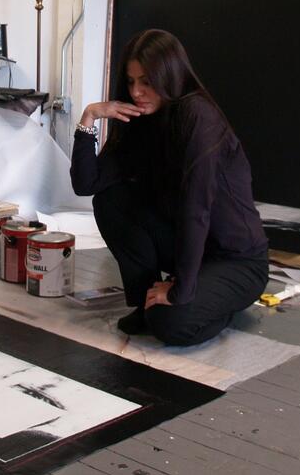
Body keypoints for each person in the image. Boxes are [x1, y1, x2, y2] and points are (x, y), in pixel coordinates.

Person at [70, 29, 269, 346]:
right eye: (131, 81)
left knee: (171, 323)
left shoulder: (198, 117)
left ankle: (217, 305)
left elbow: (196, 210)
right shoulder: (141, 119)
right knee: (111, 200)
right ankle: (145, 301)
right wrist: (90, 117)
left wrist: (180, 291)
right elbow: (87, 184)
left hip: (236, 261)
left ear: (170, 76)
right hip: (187, 248)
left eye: (147, 81)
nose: (136, 92)